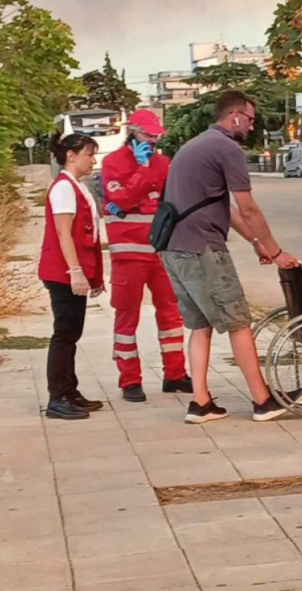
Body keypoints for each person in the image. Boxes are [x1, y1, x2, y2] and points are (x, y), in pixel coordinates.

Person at [161, 90, 300, 424]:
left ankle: (200, 403)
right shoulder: (227, 148)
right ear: (235, 115)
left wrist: (256, 242)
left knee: (201, 324)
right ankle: (263, 401)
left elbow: (223, 208)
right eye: (250, 120)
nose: (251, 127)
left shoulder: (195, 145)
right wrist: (276, 252)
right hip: (203, 249)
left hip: (174, 248)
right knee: (238, 322)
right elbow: (247, 207)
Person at [101, 110, 193, 403]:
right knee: (127, 316)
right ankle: (130, 381)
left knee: (171, 313)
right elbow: (121, 199)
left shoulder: (164, 163)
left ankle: (175, 374)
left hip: (161, 250)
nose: (152, 140)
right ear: (132, 132)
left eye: (156, 136)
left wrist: (135, 198)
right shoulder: (112, 162)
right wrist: (141, 172)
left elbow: (169, 201)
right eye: (147, 135)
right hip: (128, 253)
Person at [38, 133, 107, 420]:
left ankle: (69, 391)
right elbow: (63, 232)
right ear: (71, 155)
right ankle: (58, 397)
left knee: (71, 333)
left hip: (71, 270)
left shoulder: (76, 185)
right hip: (62, 272)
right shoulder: (64, 188)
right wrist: (75, 272)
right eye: (89, 154)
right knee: (64, 334)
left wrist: (94, 276)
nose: (93, 160)